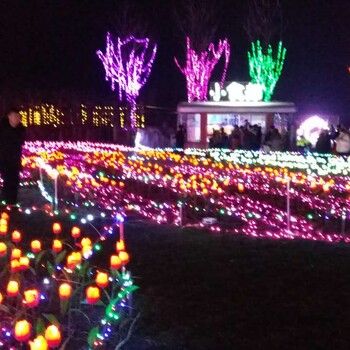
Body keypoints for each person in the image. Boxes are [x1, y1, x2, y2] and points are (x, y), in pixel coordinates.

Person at [0, 109, 26, 205]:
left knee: (14, 180)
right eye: (15, 116)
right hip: (3, 158)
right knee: (7, 180)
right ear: (9, 116)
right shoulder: (2, 129)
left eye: (19, 116)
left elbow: (20, 143)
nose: (17, 118)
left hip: (15, 159)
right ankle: (6, 199)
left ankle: (11, 201)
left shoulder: (21, 129)